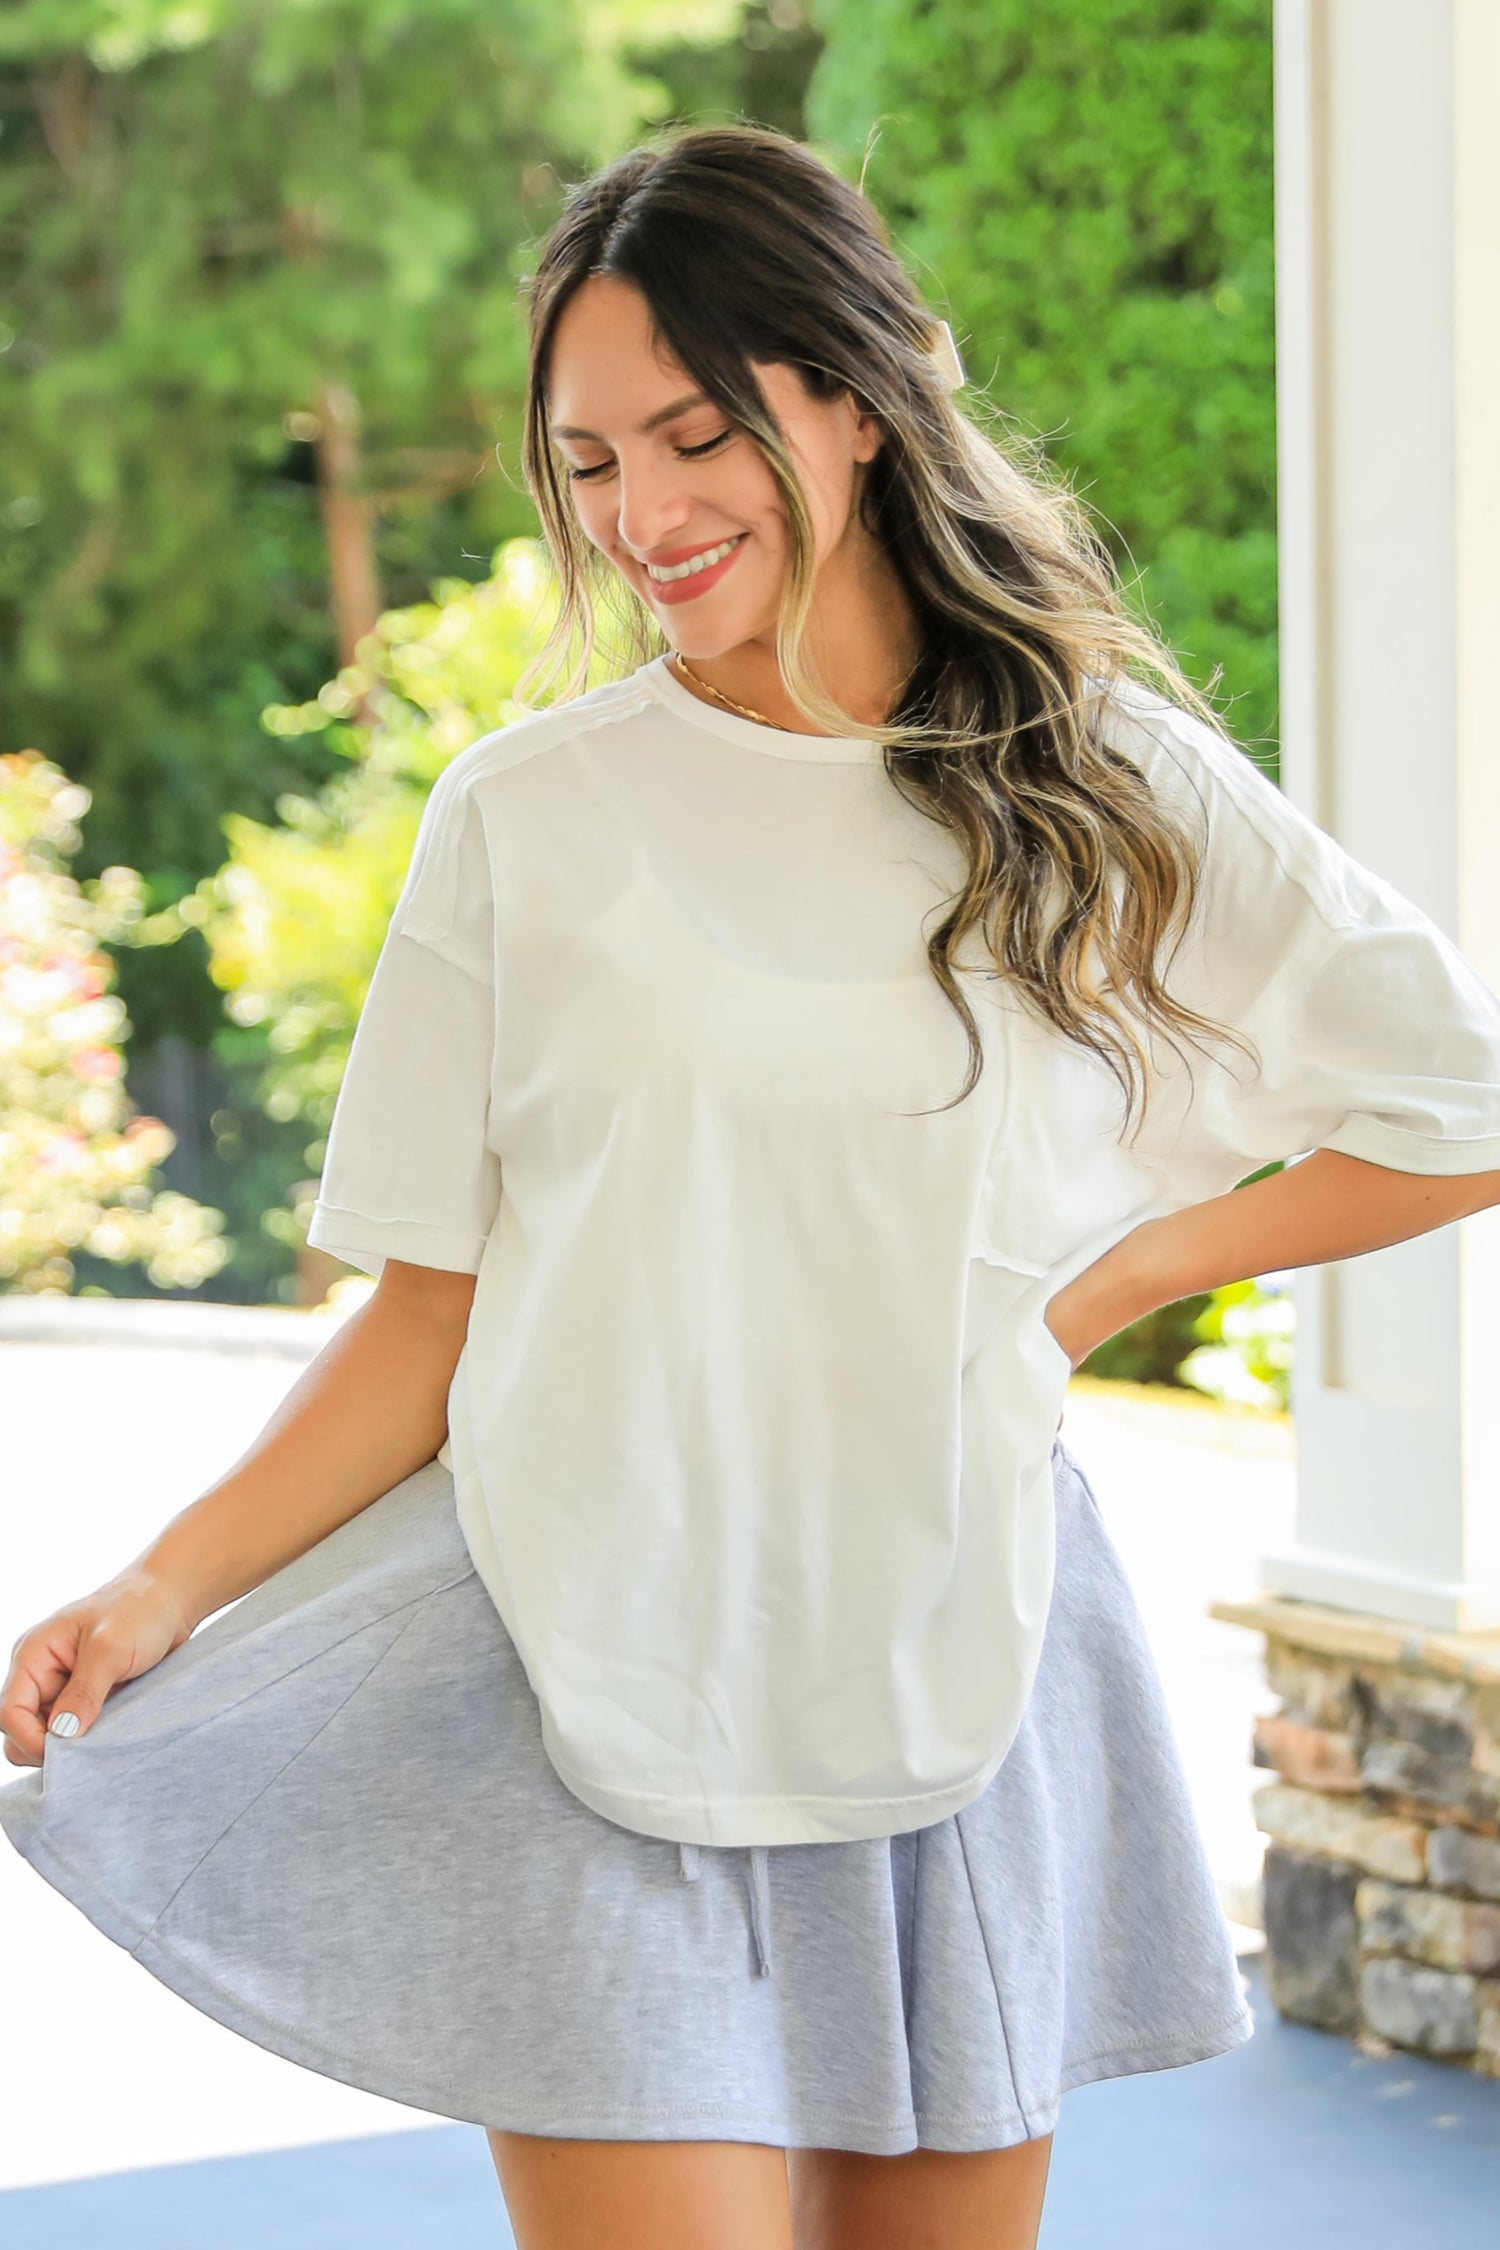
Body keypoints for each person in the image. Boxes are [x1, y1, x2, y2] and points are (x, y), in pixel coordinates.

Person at [5, 120, 1500, 2250]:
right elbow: (431, 1313)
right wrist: (166, 1582)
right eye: (590, 461)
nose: (640, 513)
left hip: (956, 1646)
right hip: (591, 1659)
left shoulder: (1094, 778)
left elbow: (1456, 1097)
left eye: (692, 435)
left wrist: (1099, 1285)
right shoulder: (528, 822)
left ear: (862, 397)